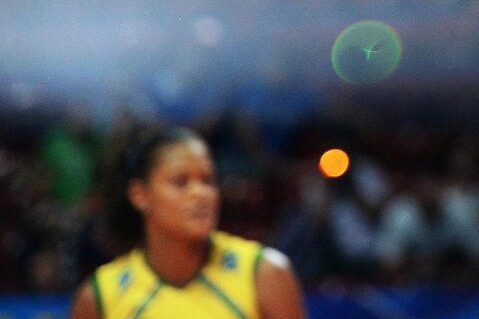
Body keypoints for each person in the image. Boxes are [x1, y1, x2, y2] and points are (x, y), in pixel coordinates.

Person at [70, 126, 307, 319]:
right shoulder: (100, 296)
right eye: (180, 182)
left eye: (208, 180)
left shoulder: (264, 274)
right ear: (139, 195)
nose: (201, 193)